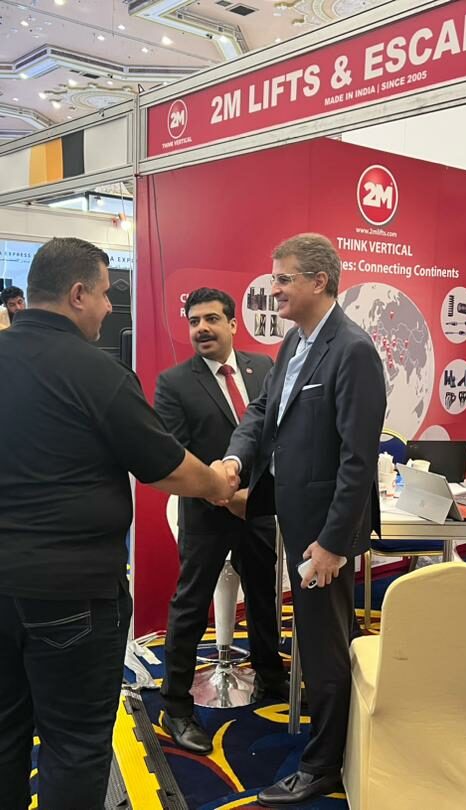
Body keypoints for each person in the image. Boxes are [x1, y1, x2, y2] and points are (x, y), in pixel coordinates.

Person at [0, 238, 237, 810]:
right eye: (106, 294)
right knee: (75, 746)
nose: (111, 308)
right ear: (78, 293)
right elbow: (167, 467)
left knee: (5, 732)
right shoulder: (96, 372)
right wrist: (219, 484)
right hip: (73, 594)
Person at [223, 233, 386, 806]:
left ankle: (322, 766)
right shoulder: (294, 341)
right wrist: (235, 459)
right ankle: (329, 742)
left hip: (324, 532)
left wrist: (333, 543)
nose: (274, 289)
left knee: (323, 645)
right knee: (316, 640)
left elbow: (358, 459)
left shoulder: (353, 350)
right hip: (294, 517)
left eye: (284, 278)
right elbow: (263, 411)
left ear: (320, 281)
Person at [155, 287, 286, 753]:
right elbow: (176, 454)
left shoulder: (263, 368)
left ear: (233, 324)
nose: (202, 329)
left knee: (264, 596)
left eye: (211, 319)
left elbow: (274, 435)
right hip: (206, 512)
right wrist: (226, 497)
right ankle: (176, 706)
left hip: (259, 508)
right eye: (194, 321)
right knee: (191, 607)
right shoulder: (174, 383)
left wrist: (257, 497)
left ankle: (271, 677)